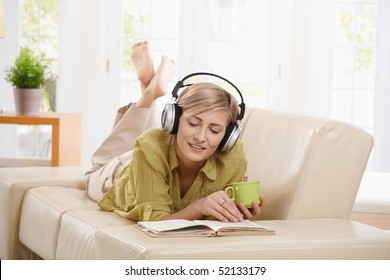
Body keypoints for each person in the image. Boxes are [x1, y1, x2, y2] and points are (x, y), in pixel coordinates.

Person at [85, 40, 264, 222]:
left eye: (215, 130)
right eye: (193, 123)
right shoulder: (150, 145)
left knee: (154, 140)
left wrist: (236, 210)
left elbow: (219, 210)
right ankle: (148, 94)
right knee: (96, 169)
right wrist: (199, 206)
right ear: (175, 120)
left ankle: (149, 89)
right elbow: (156, 222)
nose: (201, 137)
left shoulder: (234, 156)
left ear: (228, 136)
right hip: (123, 168)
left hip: (156, 150)